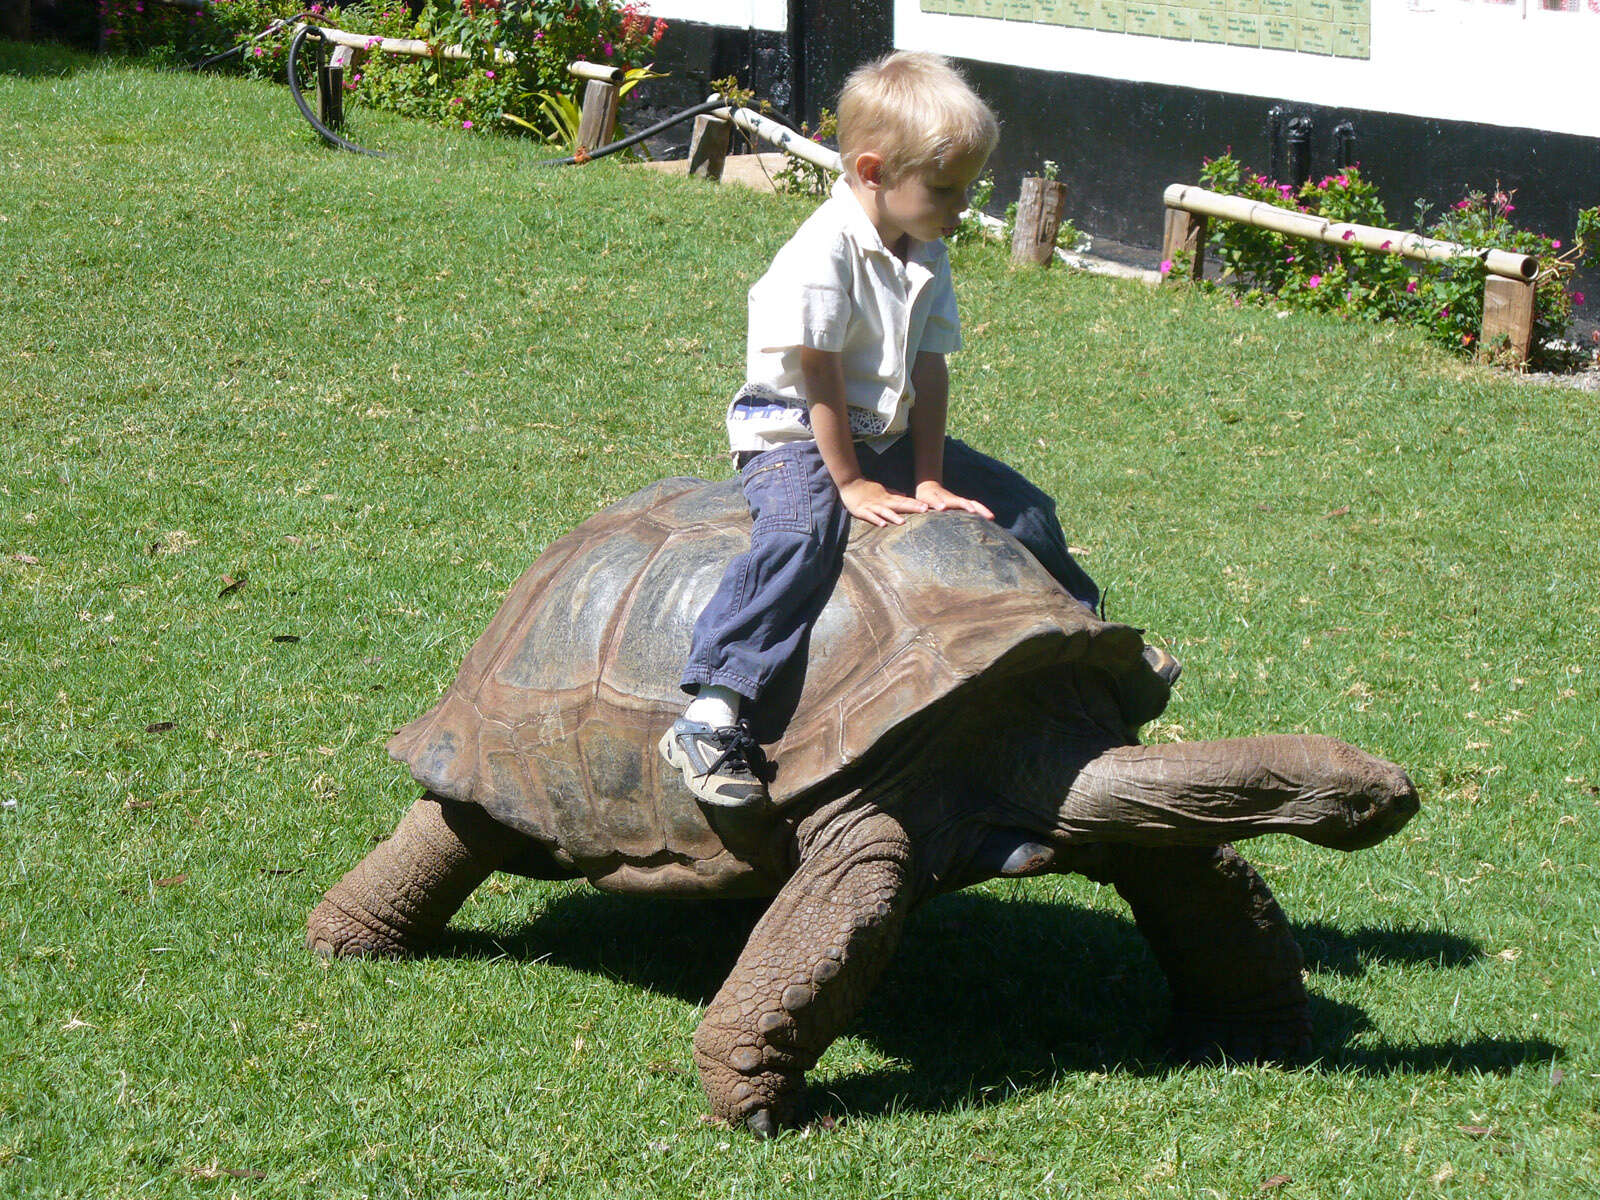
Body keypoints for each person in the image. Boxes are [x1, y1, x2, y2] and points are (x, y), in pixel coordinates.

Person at [659, 51, 1107, 809]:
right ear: (872, 171)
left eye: (968, 188)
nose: (961, 207)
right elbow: (820, 377)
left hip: (885, 431)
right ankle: (712, 709)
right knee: (801, 536)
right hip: (797, 431)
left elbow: (929, 372)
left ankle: (1090, 644)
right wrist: (852, 483)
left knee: (1020, 504)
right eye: (945, 189)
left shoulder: (925, 248)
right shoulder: (823, 253)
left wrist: (928, 476)